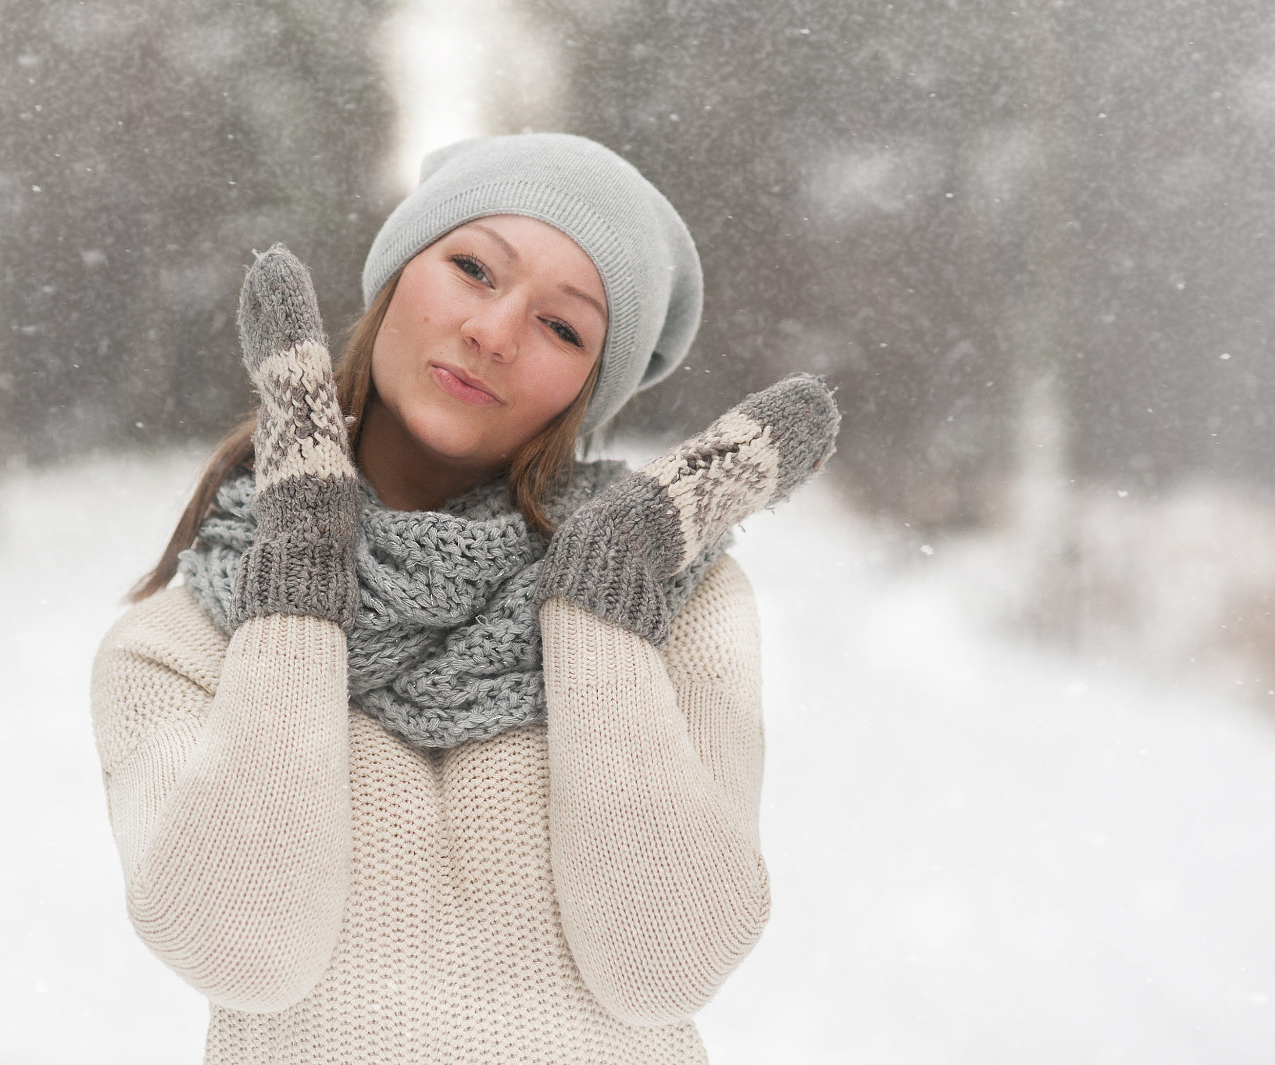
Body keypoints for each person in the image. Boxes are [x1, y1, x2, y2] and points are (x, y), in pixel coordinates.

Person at [90, 132, 840, 1064]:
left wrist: (600, 597)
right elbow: (241, 950)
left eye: (564, 327)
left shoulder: (680, 601)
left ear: (585, 391)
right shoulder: (179, 640)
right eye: (475, 267)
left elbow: (662, 967)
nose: (495, 331)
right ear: (399, 274)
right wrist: (301, 568)